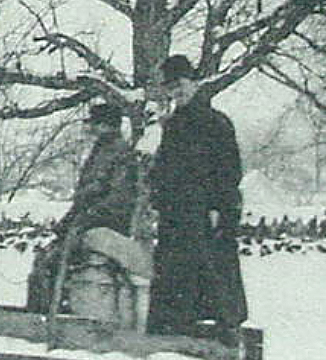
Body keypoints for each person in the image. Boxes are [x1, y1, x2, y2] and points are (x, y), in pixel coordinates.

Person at [144, 55, 248, 343]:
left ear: (193, 82)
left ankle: (225, 333)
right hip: (176, 214)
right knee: (175, 275)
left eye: (180, 84)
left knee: (214, 273)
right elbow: (165, 168)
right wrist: (156, 196)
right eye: (170, 87)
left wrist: (218, 206)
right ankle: (176, 334)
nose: (176, 91)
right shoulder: (173, 124)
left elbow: (229, 169)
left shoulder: (215, 122)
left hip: (206, 213)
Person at [26, 102, 140, 312]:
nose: (91, 128)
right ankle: (49, 309)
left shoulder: (120, 154)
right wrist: (66, 222)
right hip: (90, 219)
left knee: (54, 260)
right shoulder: (103, 150)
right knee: (47, 257)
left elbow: (117, 198)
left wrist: (85, 219)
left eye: (94, 124)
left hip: (106, 224)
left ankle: (52, 313)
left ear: (106, 125)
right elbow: (84, 197)